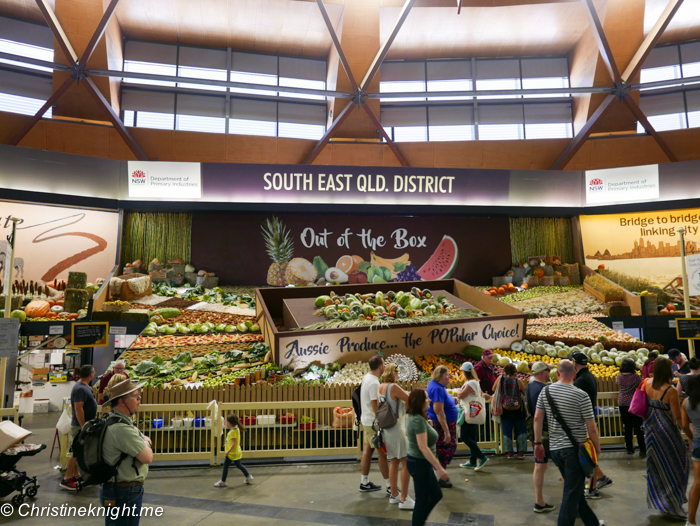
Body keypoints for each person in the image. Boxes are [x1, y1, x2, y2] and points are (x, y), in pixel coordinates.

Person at [534, 360, 604, 526]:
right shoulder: (581, 395)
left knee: (576, 490)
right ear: (574, 373)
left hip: (555, 449)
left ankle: (593, 523)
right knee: (571, 493)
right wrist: (597, 448)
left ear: (557, 373)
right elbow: (592, 427)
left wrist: (538, 443)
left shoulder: (546, 392)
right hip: (574, 451)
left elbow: (537, 418)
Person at [101, 379, 153, 526]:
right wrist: (146, 442)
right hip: (125, 492)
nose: (139, 399)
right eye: (135, 395)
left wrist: (144, 441)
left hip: (116, 489)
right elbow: (147, 457)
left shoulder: (113, 420)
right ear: (122, 401)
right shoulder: (122, 428)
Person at [644, 357, 689, 519]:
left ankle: (661, 501)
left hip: (651, 432)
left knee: (656, 468)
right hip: (668, 434)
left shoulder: (647, 383)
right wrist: (689, 435)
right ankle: (673, 505)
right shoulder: (669, 391)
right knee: (678, 466)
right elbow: (677, 418)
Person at [571, 351, 612, 498]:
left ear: (574, 363)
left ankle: (592, 489)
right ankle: (601, 478)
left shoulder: (580, 381)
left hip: (585, 422)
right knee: (590, 454)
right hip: (590, 419)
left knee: (589, 456)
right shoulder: (590, 377)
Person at [406, 388, 448, 526]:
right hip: (420, 463)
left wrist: (427, 426)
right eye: (426, 398)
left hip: (419, 463)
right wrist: (439, 468)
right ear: (419, 402)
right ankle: (418, 522)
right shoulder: (417, 420)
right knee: (422, 501)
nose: (429, 400)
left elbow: (407, 433)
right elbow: (423, 447)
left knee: (435, 495)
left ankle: (420, 521)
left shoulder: (416, 417)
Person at [378, 363, 414, 510]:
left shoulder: (380, 387)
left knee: (394, 461)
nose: (398, 375)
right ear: (394, 372)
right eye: (398, 372)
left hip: (387, 428)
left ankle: (394, 494)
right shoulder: (393, 387)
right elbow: (409, 399)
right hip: (397, 427)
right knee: (406, 462)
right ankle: (404, 498)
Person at [61, 364, 97, 491]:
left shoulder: (84, 387)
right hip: (79, 426)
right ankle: (66, 478)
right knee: (76, 452)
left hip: (83, 425)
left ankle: (76, 475)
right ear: (91, 374)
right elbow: (78, 408)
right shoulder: (80, 388)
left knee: (80, 451)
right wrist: (84, 426)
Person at [526, 361, 555, 514]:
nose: (550, 373)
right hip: (547, 433)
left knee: (539, 465)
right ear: (543, 372)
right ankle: (572, 504)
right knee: (565, 467)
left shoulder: (529, 387)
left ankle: (539, 501)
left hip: (535, 432)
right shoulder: (545, 390)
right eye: (548, 371)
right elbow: (542, 415)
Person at [359, 355, 390, 493]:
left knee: (368, 450)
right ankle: (390, 486)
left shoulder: (367, 377)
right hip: (373, 422)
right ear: (381, 367)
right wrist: (383, 421)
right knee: (382, 452)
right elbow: (375, 406)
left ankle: (364, 482)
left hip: (366, 420)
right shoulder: (374, 383)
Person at [427, 365, 458, 487]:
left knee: (443, 448)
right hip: (442, 425)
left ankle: (439, 474)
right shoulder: (438, 389)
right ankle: (440, 476)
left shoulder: (437, 386)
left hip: (443, 423)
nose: (449, 377)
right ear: (440, 376)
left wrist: (452, 401)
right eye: (447, 375)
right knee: (446, 448)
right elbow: (439, 411)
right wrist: (446, 431)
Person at [457, 361, 490, 471]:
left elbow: (461, 395)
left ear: (464, 372)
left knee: (464, 436)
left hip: (469, 412)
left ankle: (481, 457)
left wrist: (458, 392)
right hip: (474, 412)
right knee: (472, 437)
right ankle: (472, 460)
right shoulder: (475, 382)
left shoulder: (470, 383)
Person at [493, 362, 527, 459]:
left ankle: (509, 452)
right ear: (515, 371)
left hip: (505, 410)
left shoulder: (500, 379)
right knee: (520, 431)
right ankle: (521, 452)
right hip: (518, 411)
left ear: (504, 371)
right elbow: (525, 392)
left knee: (507, 431)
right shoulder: (518, 381)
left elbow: (493, 389)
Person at [616, 358, 645, 457]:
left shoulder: (619, 377)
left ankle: (629, 448)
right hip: (634, 402)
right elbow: (640, 386)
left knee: (627, 426)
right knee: (638, 426)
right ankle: (642, 449)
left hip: (623, 402)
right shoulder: (636, 377)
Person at [682, 374, 700, 526]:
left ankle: (691, 521)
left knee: (697, 483)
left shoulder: (686, 402)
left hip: (698, 444)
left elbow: (683, 425)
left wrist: (692, 438)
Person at [215, 414, 253, 487]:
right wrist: (226, 444)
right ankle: (248, 476)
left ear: (230, 423)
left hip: (231, 453)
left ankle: (223, 481)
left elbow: (234, 443)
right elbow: (230, 441)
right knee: (239, 465)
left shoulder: (232, 432)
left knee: (225, 466)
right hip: (236, 452)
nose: (225, 423)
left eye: (226, 422)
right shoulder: (236, 429)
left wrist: (228, 451)